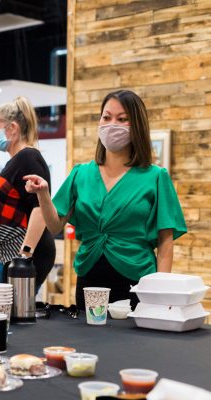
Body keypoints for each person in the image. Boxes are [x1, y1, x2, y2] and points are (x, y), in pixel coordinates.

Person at [24, 90, 187, 309]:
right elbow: (54, 226)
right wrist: (43, 194)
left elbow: (165, 241)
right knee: (89, 341)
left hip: (137, 283)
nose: (112, 124)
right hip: (89, 281)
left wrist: (160, 295)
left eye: (122, 119)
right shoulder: (81, 174)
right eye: (106, 117)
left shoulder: (155, 177)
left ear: (136, 125)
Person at [0, 97, 56, 287]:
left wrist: (24, 256)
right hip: (4, 253)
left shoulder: (28, 157)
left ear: (12, 128)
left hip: (19, 255)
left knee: (11, 313)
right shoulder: (16, 161)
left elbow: (39, 208)